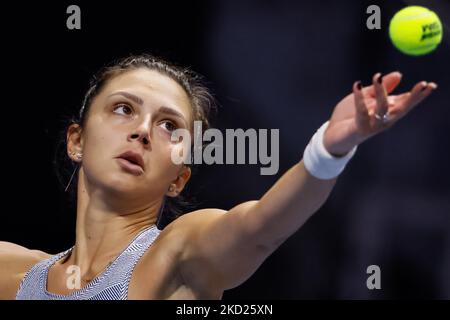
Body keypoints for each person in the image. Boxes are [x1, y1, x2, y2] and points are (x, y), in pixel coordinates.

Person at [0, 54, 437, 300]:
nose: (142, 131)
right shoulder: (14, 272)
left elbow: (259, 227)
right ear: (76, 141)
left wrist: (330, 148)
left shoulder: (177, 255)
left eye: (169, 125)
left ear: (178, 179)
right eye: (123, 109)